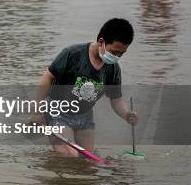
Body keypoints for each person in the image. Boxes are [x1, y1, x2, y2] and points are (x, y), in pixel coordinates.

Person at [29, 18, 139, 157]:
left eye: (122, 54)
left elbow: (116, 100)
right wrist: (37, 111)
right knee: (70, 156)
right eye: (114, 52)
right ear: (101, 42)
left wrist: (126, 114)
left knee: (88, 160)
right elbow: (47, 78)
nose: (117, 57)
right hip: (58, 113)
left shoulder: (113, 69)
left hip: (85, 117)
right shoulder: (72, 54)